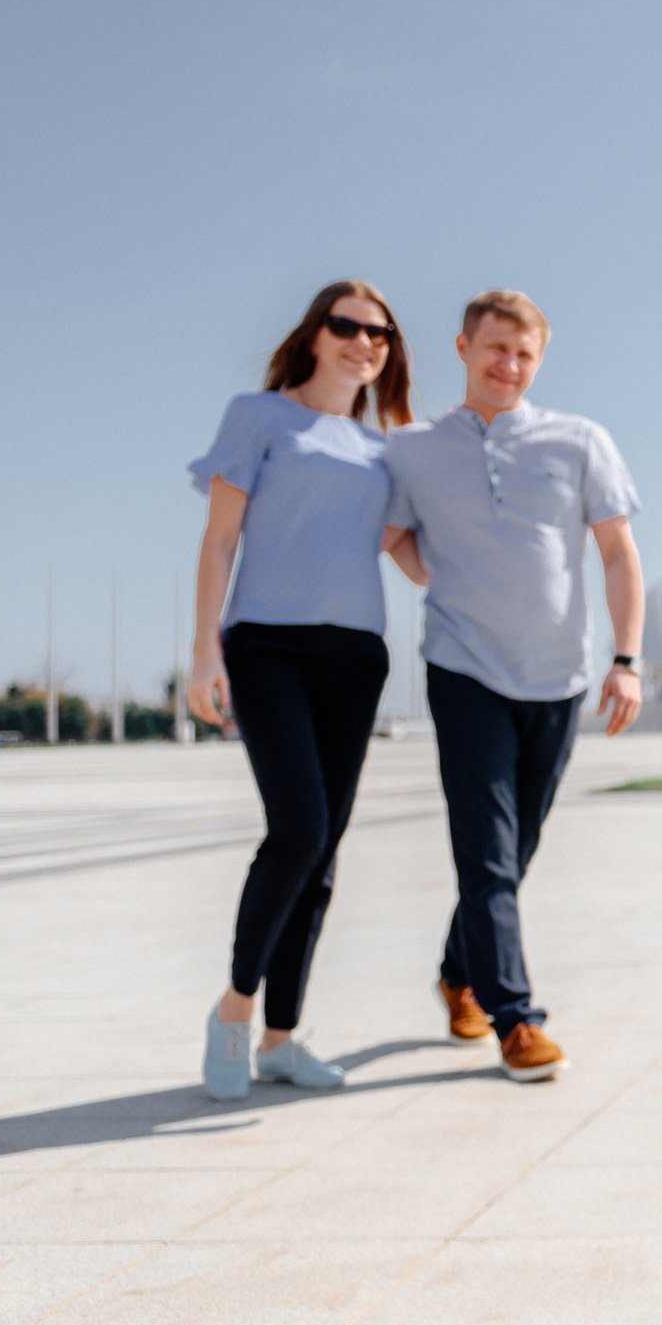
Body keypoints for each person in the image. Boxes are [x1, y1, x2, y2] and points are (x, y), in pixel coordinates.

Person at [382, 290, 643, 1083]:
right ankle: (516, 1019)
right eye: (496, 349)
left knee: (516, 847)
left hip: (559, 677)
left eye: (525, 354)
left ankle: (458, 971)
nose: (510, 366)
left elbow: (619, 554)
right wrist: (446, 582)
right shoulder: (414, 449)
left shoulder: (580, 440)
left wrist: (625, 660)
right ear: (463, 347)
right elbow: (394, 534)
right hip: (463, 667)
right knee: (487, 852)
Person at [186, 281, 429, 1101]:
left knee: (323, 854)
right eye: (348, 325)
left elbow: (406, 551)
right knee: (298, 828)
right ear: (316, 334)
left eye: (381, 333)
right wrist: (202, 653)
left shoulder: (383, 451)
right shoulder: (259, 418)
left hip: (356, 657)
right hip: (267, 649)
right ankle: (233, 1012)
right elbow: (220, 540)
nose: (365, 341)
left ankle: (282, 1039)